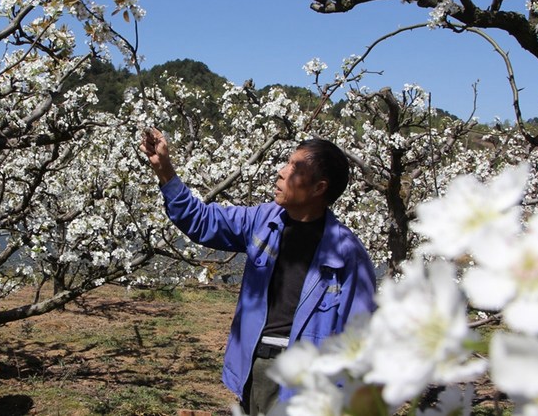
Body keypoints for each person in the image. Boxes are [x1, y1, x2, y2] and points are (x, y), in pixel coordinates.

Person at [139, 128, 376, 415]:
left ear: (319, 188)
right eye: (286, 163)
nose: (281, 172)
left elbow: (359, 339)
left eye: (294, 167)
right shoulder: (263, 221)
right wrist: (165, 171)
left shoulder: (347, 255)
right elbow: (202, 221)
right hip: (254, 366)